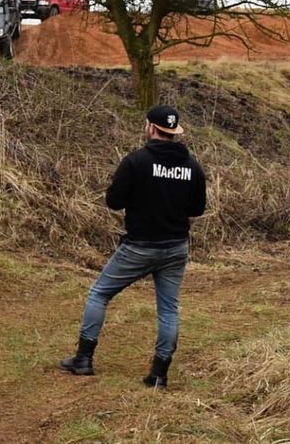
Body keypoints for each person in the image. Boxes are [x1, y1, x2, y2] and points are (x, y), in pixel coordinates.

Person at [60, 105, 207, 388]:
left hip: (139, 247)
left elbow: (114, 201)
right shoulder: (192, 166)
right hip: (176, 248)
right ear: (174, 132)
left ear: (151, 128)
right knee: (168, 309)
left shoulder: (136, 161)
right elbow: (197, 209)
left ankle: (83, 359)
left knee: (99, 294)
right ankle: (159, 374)